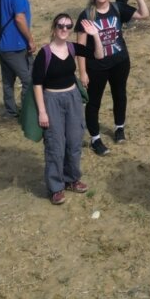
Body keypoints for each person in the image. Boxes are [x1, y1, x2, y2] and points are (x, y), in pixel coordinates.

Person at [76, 0, 150, 155]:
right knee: (94, 103)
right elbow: (80, 48)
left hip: (120, 62)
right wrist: (83, 72)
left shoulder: (117, 8)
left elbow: (144, 15)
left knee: (120, 95)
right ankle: (95, 139)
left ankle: (119, 128)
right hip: (96, 66)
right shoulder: (86, 16)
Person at [32, 13, 95, 206]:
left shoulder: (72, 48)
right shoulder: (45, 53)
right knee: (55, 146)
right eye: (61, 25)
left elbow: (98, 55)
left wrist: (96, 35)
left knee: (75, 141)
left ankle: (71, 179)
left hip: (73, 98)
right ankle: (56, 187)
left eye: (69, 26)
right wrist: (42, 111)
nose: (65, 29)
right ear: (54, 28)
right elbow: (36, 83)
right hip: (52, 100)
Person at [0, 0, 35, 119]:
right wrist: (30, 39)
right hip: (15, 45)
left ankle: (10, 111)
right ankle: (26, 114)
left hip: (0, 44)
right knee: (29, 80)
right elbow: (19, 18)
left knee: (8, 79)